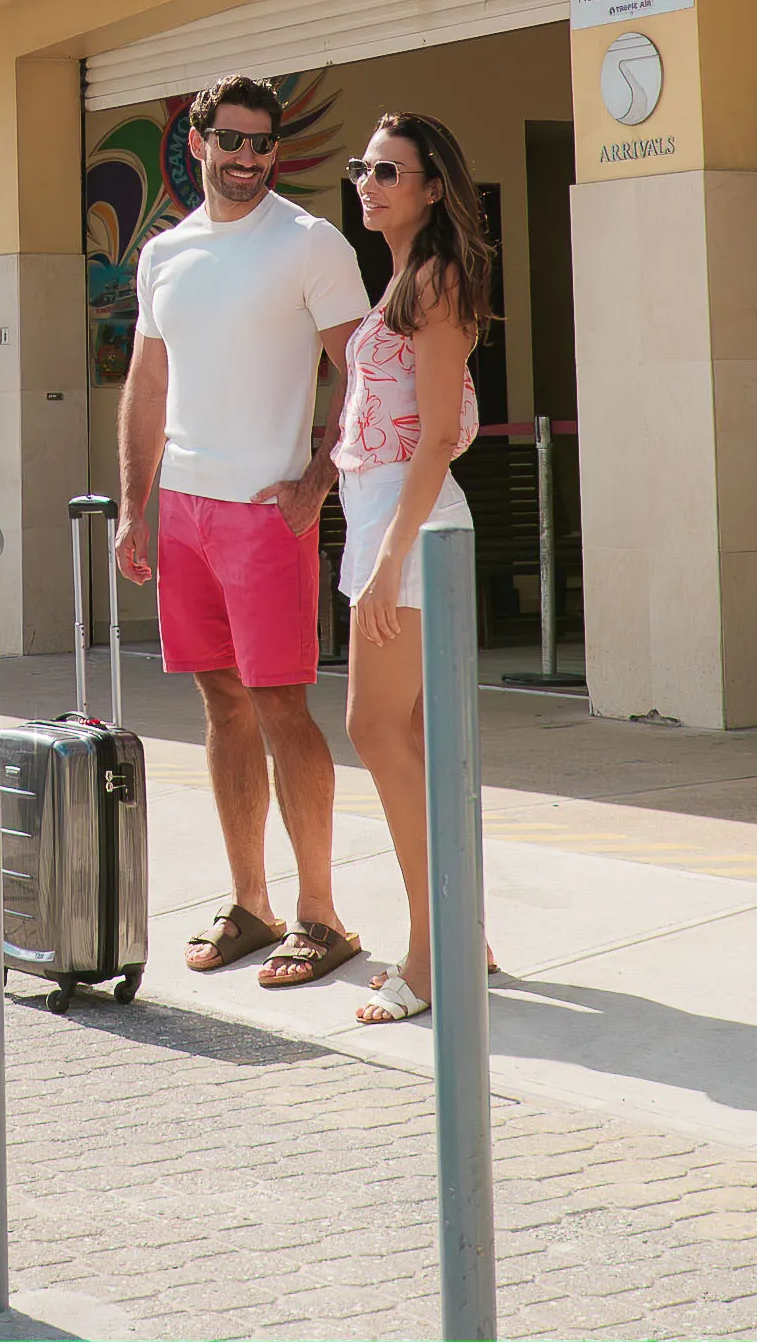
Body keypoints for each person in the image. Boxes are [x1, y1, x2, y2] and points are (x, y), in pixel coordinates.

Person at [118, 72, 372, 993]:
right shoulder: (163, 256)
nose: (246, 160)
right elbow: (149, 388)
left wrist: (319, 480)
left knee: (281, 707)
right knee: (221, 707)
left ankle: (321, 916)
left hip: (268, 515)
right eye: (230, 142)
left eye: (262, 145)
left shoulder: (311, 244)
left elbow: (365, 375)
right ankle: (252, 904)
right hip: (182, 512)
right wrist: (131, 507)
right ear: (198, 144)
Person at [336, 112, 494, 1024]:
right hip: (386, 518)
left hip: (413, 521)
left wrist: (390, 558)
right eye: (364, 168)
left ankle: (432, 958)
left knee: (372, 728)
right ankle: (460, 940)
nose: (371, 182)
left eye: (390, 171)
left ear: (434, 188)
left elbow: (436, 434)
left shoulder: (432, 282)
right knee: (424, 748)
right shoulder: (402, 277)